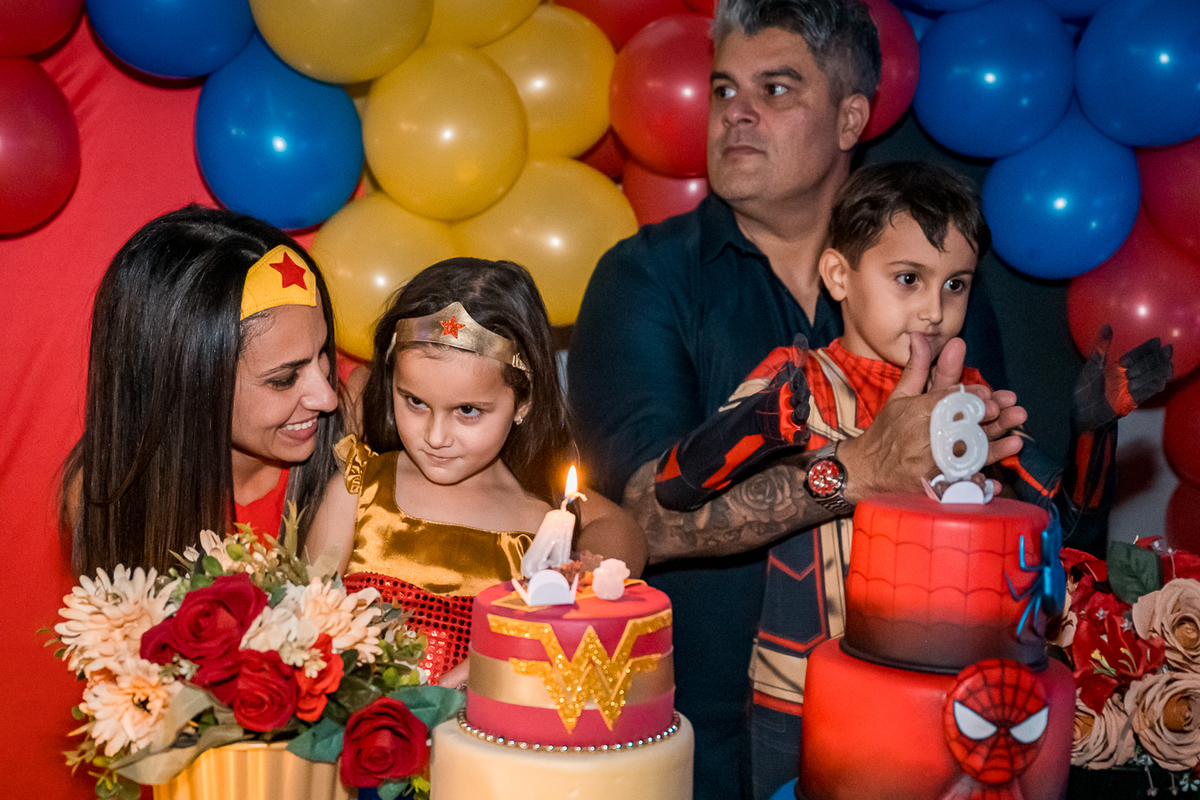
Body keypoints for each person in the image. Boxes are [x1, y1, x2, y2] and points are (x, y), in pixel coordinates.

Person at [566, 1, 1025, 796]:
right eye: (724, 89)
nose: (735, 113)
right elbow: (641, 519)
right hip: (697, 742)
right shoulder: (644, 279)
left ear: (851, 119)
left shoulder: (939, 288)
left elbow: (993, 492)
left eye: (775, 89)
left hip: (913, 724)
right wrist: (854, 472)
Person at [660, 160, 1170, 797]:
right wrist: (761, 423)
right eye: (908, 278)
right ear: (839, 275)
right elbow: (674, 487)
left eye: (955, 285)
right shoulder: (800, 383)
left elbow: (1067, 534)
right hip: (799, 689)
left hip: (945, 697)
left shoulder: (968, 402)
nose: (933, 310)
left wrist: (1094, 432)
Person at [307, 257, 647, 686]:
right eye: (415, 401)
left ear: (523, 403)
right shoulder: (359, 489)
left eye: (467, 410)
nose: (435, 436)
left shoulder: (540, 531)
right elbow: (303, 625)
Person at [62, 205, 343, 578]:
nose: (327, 398)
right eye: (284, 378)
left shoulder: (357, 450)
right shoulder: (107, 497)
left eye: (322, 353)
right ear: (185, 384)